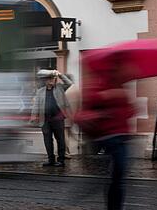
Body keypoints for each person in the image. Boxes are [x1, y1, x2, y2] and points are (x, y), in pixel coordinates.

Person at [76, 60, 135, 210]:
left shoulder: (122, 87)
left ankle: (114, 206)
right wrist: (107, 96)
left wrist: (130, 108)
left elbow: (128, 111)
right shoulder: (99, 83)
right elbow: (89, 103)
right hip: (107, 136)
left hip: (122, 135)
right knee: (116, 173)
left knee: (118, 176)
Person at [30, 70, 73, 167]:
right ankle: (51, 159)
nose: (52, 80)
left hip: (58, 118)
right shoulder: (40, 91)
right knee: (48, 140)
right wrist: (33, 116)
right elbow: (36, 105)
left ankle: (61, 160)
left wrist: (60, 75)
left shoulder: (60, 88)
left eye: (53, 78)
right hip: (45, 120)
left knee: (60, 140)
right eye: (50, 78)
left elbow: (69, 83)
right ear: (45, 80)